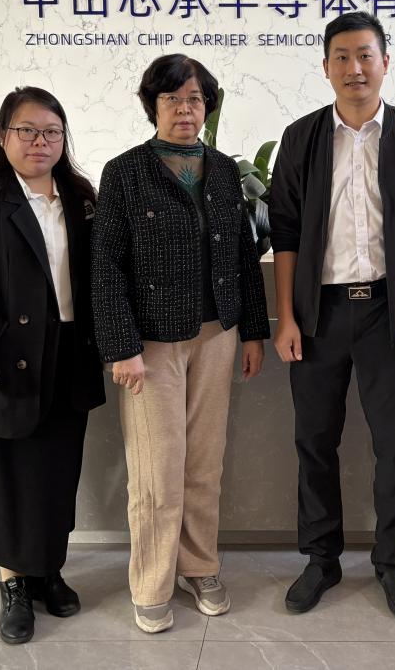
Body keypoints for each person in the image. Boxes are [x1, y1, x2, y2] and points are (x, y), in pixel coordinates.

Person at [269, 11, 395, 619]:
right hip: (317, 315)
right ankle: (321, 559)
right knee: (314, 442)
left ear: (385, 62)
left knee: (393, 445)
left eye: (365, 55)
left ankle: (391, 562)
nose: (355, 68)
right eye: (342, 57)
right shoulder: (301, 138)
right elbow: (286, 232)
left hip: (389, 312)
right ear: (326, 67)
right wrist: (286, 317)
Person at [90, 54, 269, 634]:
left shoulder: (223, 171)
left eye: (194, 99)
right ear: (154, 106)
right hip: (151, 344)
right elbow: (105, 266)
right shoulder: (125, 171)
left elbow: (243, 255)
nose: (184, 109)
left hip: (218, 335)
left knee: (203, 463)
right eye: (172, 98)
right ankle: (151, 581)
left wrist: (253, 331)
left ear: (206, 106)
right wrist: (120, 346)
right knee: (157, 468)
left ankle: (200, 566)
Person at [0, 86, 104, 644]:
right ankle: (13, 584)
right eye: (26, 131)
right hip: (4, 358)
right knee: (8, 475)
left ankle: (48, 569)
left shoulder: (79, 195)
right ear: (4, 136)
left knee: (57, 471)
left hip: (69, 353)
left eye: (51, 132)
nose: (39, 142)